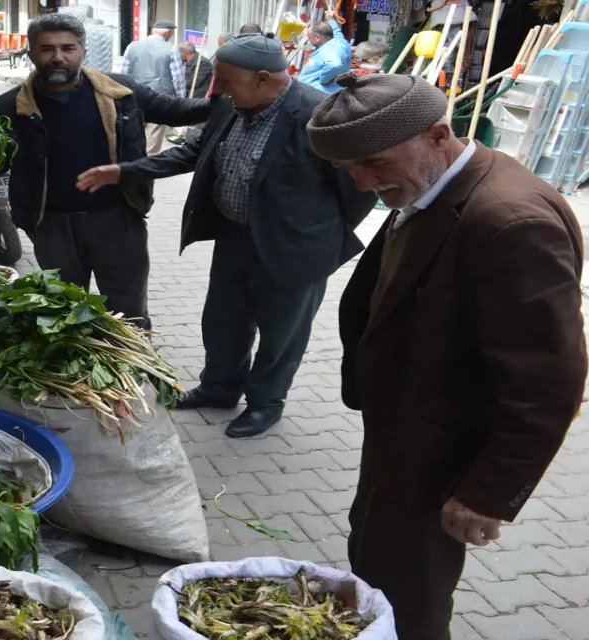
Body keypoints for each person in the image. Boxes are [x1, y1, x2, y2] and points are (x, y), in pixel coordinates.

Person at [306, 73, 587, 640]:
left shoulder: (510, 222)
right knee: (377, 564)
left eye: (376, 164)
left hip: (444, 455)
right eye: (350, 169)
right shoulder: (431, 182)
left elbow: (548, 381)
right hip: (408, 434)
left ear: (438, 135)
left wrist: (487, 493)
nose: (363, 182)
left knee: (408, 595)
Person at [75, 34, 374, 436]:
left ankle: (266, 403)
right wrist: (126, 171)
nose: (217, 89)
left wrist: (320, 234)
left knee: (281, 333)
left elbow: (360, 187)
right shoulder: (232, 106)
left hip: (295, 248)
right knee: (222, 320)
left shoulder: (318, 115)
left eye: (227, 81)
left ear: (263, 79)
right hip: (235, 237)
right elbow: (195, 151)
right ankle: (219, 387)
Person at [0, 13, 210, 327]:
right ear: (30, 53)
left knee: (127, 314)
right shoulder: (9, 107)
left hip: (118, 221)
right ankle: (78, 374)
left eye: (67, 48)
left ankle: (133, 371)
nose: (58, 57)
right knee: (65, 313)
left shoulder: (120, 91)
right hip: (52, 226)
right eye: (47, 49)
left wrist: (226, 101)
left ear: (84, 52)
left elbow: (175, 111)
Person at [121, 20, 178, 154]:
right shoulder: (171, 48)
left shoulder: (132, 46)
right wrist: (179, 99)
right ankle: (147, 167)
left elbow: (123, 73)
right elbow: (177, 77)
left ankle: (134, 164)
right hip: (161, 97)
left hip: (134, 95)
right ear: (168, 32)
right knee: (153, 135)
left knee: (135, 132)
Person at [167, 41, 214, 144]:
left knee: (194, 124)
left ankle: (190, 140)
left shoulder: (202, 63)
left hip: (197, 97)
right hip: (187, 96)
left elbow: (193, 83)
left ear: (184, 52)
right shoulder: (183, 62)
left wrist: (178, 84)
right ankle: (182, 135)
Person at [298, 11, 352, 94]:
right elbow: (336, 31)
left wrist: (324, 80)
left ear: (317, 38)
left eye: (310, 38)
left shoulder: (330, 49)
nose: (309, 40)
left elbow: (334, 65)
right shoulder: (339, 41)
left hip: (319, 95)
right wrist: (330, 19)